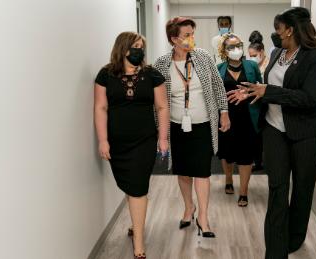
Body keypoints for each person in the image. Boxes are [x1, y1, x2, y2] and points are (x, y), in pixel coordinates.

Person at [227, 7, 316, 259]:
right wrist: (251, 92)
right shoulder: (276, 53)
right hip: (274, 129)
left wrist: (267, 92)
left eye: (278, 28)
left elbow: (309, 98)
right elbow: (269, 87)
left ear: (290, 29)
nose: (275, 33)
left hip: (308, 132)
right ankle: (275, 252)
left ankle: (294, 240)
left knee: (303, 189)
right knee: (277, 188)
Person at [94, 32, 169, 259]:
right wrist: (103, 140)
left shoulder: (152, 75)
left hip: (144, 141)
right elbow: (100, 108)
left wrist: (163, 138)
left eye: (141, 47)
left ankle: (139, 244)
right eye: (135, 47)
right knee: (129, 185)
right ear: (123, 48)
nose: (139, 51)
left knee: (137, 187)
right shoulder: (106, 74)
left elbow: (163, 107)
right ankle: (136, 224)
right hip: (117, 143)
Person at [154, 17, 230, 238]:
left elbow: (217, 85)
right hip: (176, 126)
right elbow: (157, 100)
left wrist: (224, 112)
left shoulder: (203, 57)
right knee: (183, 171)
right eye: (186, 34)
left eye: (192, 33)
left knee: (202, 172)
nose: (191, 38)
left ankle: (203, 217)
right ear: (173, 39)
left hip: (203, 124)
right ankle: (189, 207)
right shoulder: (162, 63)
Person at [216, 33, 262, 207]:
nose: (236, 49)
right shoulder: (218, 68)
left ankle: (243, 192)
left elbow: (260, 88)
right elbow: (215, 94)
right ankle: (228, 179)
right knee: (227, 153)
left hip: (248, 117)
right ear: (224, 51)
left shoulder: (251, 66)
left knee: (246, 155)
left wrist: (247, 93)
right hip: (226, 116)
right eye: (231, 47)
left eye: (238, 45)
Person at [247, 30, 270, 171]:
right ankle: (255, 160)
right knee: (254, 134)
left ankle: (261, 161)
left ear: (261, 51)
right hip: (254, 103)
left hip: (267, 103)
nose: (251, 59)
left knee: (263, 134)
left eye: (254, 56)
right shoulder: (250, 64)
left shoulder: (269, 65)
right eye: (249, 56)